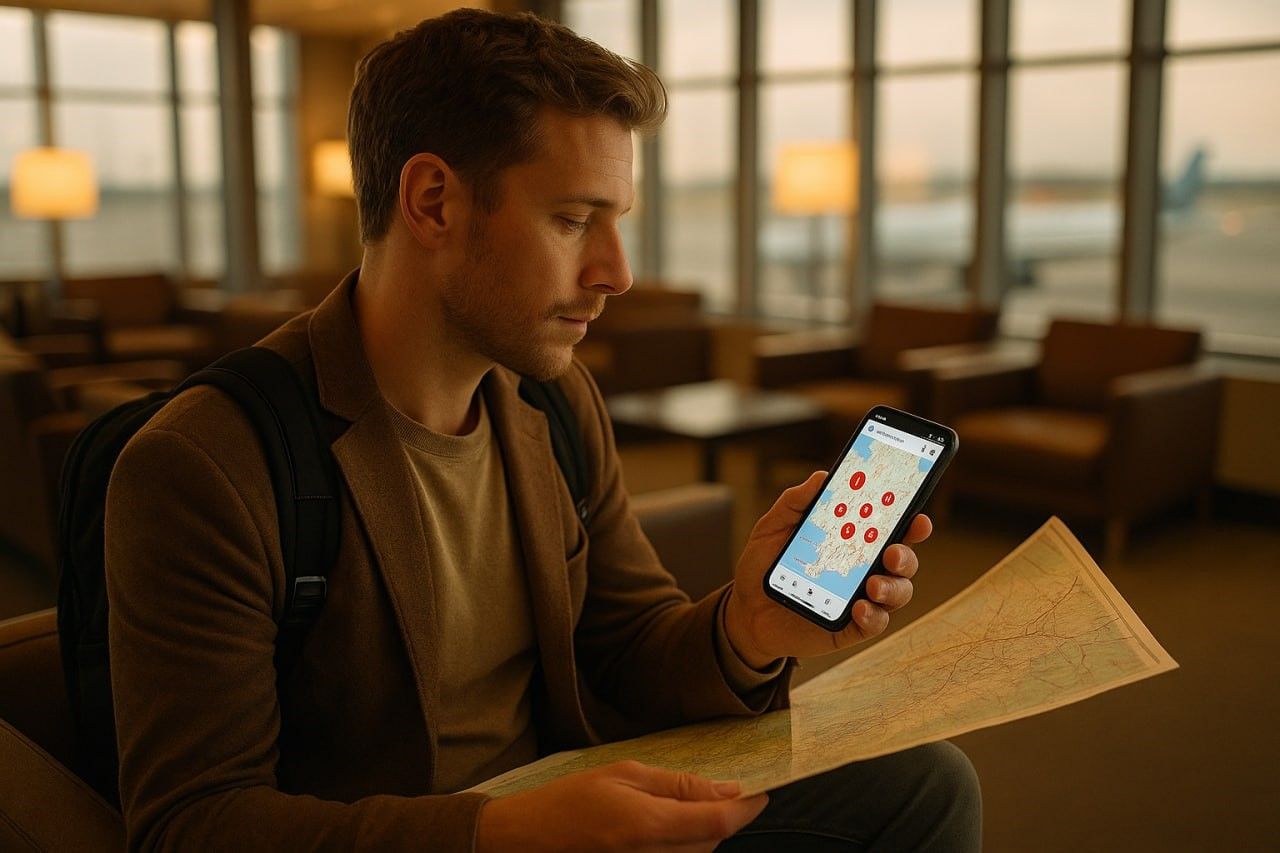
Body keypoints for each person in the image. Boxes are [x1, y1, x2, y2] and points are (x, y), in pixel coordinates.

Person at [104, 8, 980, 851]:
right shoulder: (208, 461)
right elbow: (195, 824)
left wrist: (746, 627)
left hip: (573, 801)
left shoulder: (556, 403)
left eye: (616, 223)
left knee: (926, 779)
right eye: (572, 220)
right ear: (434, 201)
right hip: (442, 838)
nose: (618, 273)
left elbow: (627, 641)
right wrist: (503, 834)